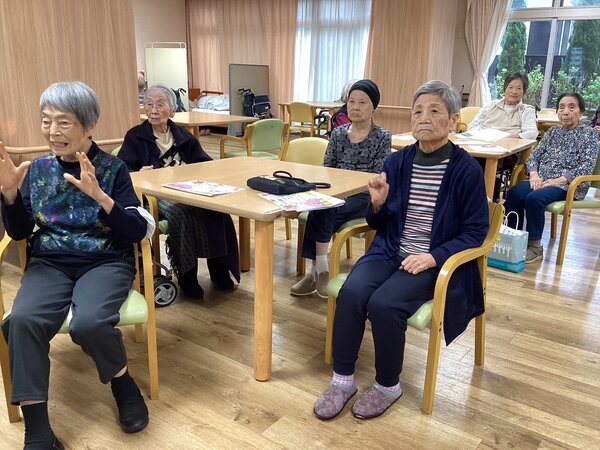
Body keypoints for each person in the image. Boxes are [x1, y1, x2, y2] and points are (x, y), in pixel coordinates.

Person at [313, 80, 489, 421]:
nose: (424, 118)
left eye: (434, 111)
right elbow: (378, 223)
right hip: (390, 249)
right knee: (351, 292)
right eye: (417, 111)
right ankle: (342, 380)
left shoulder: (465, 170)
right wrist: (377, 204)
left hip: (432, 261)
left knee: (384, 304)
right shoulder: (397, 162)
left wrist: (433, 257)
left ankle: (388, 385)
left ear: (453, 120)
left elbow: (475, 232)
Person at [0, 82, 154, 449]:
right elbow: (20, 232)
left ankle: (123, 384)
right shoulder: (37, 170)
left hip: (105, 260)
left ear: (89, 125)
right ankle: (38, 431)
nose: (53, 131)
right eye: (46, 121)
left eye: (64, 122)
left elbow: (136, 231)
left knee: (89, 323)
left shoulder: (114, 169)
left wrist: (101, 197)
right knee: (22, 320)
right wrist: (9, 194)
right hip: (50, 263)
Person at [118, 84, 240, 298]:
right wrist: (138, 172)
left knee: (217, 209)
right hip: (156, 195)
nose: (153, 110)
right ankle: (187, 276)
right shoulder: (135, 136)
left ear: (173, 110)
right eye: (149, 104)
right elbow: (122, 170)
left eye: (160, 105)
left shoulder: (183, 135)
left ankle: (219, 270)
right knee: (181, 213)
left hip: (189, 191)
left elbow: (204, 162)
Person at [290, 79, 391, 299]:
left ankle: (315, 272)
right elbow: (327, 168)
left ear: (373, 107)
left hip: (364, 196)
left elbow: (376, 174)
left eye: (362, 102)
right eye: (351, 102)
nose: (355, 107)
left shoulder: (382, 137)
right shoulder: (337, 133)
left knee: (323, 209)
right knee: (322, 206)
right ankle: (319, 271)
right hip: (336, 194)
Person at [504, 92, 599, 263]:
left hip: (568, 184)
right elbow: (534, 157)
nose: (565, 111)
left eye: (572, 107)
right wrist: (534, 175)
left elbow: (586, 166)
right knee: (514, 193)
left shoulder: (589, 134)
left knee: (534, 199)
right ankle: (512, 238)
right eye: (561, 107)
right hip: (541, 179)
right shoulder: (552, 132)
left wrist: (557, 180)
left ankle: (534, 246)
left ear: (581, 111)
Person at [467, 72, 538, 139]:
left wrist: (507, 138)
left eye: (519, 88)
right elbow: (472, 125)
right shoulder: (491, 105)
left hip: (509, 145)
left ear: (523, 92)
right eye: (510, 87)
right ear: (505, 89)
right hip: (481, 142)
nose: (514, 91)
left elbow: (532, 133)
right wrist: (480, 136)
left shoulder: (526, 110)